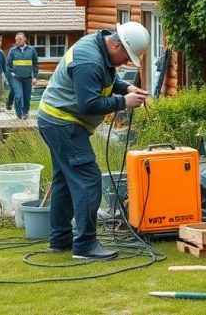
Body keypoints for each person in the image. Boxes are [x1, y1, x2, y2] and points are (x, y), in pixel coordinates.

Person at [37, 22, 150, 260]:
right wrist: (124, 102)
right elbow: (89, 103)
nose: (126, 62)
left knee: (65, 182)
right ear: (117, 44)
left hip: (57, 121)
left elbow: (105, 80)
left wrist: (126, 86)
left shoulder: (99, 48)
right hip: (63, 123)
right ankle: (85, 245)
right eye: (126, 56)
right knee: (88, 179)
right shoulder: (88, 60)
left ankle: (60, 240)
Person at [5, 32, 39, 119]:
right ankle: (19, 115)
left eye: (19, 39)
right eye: (16, 39)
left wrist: (35, 76)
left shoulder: (31, 50)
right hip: (16, 78)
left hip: (28, 78)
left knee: (27, 97)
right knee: (18, 96)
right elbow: (8, 66)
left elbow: (35, 64)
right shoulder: (12, 51)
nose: (17, 41)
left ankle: (25, 113)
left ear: (25, 39)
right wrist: (10, 77)